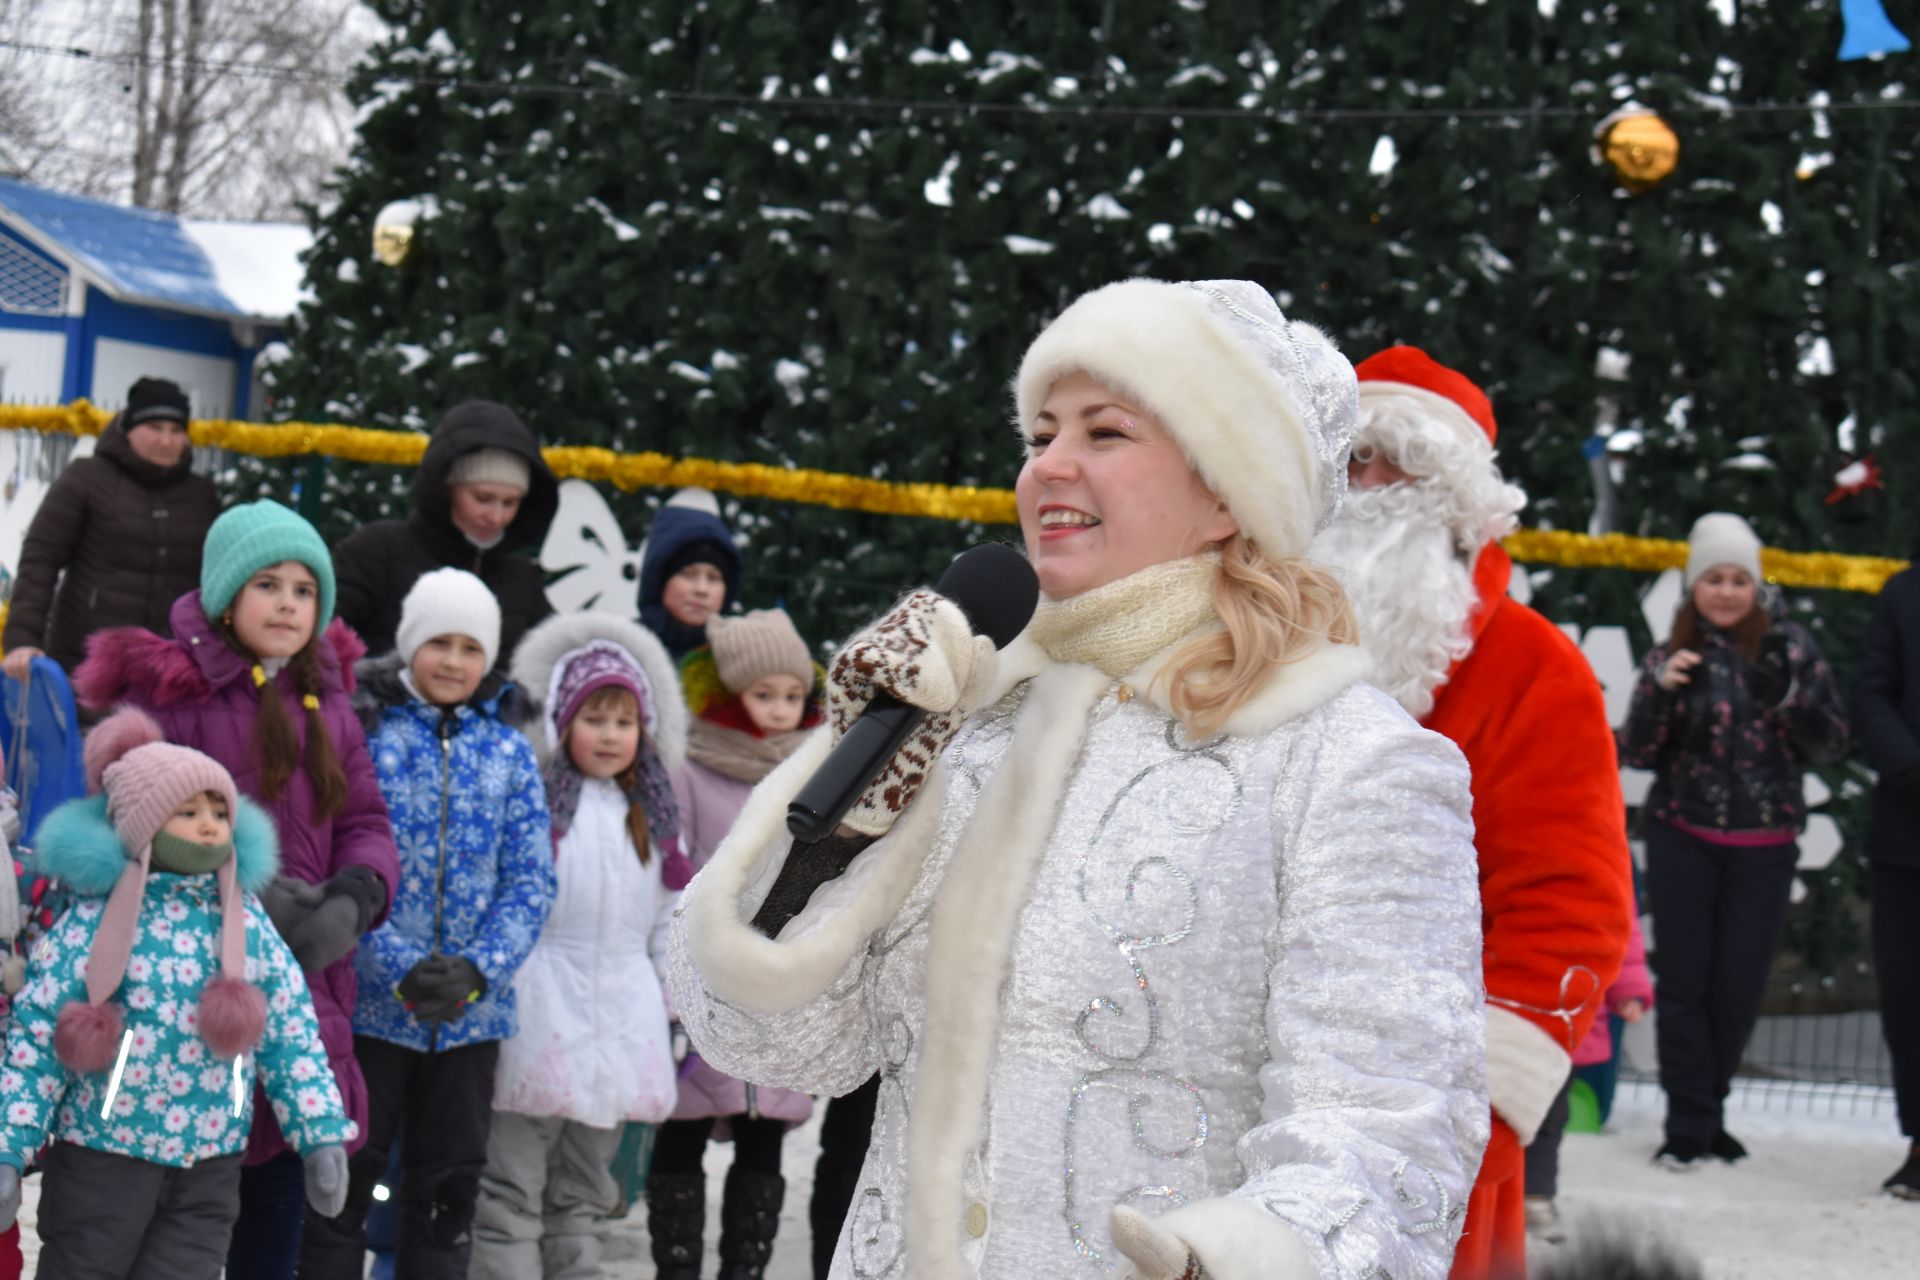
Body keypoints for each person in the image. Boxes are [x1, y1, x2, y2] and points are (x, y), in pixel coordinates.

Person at [667, 278, 1489, 1280]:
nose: (1049, 463)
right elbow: (785, 1047)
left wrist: (1235, 1257)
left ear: (1228, 490)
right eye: (1040, 433)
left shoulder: (1353, 760)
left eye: (1106, 431)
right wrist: (829, 834)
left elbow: (1389, 1121)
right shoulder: (965, 722)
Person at [1311, 345, 1634, 1280]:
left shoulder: (1538, 671)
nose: (1368, 487)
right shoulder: (1240, 639)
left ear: (1456, 499)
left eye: (1399, 462)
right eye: (1350, 461)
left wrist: (1470, 1119)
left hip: (1424, 1133)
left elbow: (1573, 910)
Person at [72, 501, 400, 1279]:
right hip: (186, 1005)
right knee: (173, 1238)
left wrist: (355, 897)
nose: (289, 603)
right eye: (267, 584)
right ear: (224, 596)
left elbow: (365, 817)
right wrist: (240, 892)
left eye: (304, 589)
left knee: (275, 1221)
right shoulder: (169, 696)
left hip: (307, 994)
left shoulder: (332, 704)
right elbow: (125, 823)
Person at [0, 709, 354, 1277]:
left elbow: (291, 1032)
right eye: (187, 812)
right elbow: (38, 1034)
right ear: (142, 824)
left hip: (209, 1155)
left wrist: (319, 1134)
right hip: (104, 1149)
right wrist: (8, 1147)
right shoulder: (94, 921)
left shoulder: (246, 921)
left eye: (219, 810)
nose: (210, 824)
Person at [300, 569, 557, 1277]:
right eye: (437, 643)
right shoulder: (368, 733)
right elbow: (343, 859)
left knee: (447, 1192)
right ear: (409, 646)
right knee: (346, 1179)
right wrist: (397, 963)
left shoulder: (508, 749)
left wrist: (479, 969)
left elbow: (531, 878)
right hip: (375, 1007)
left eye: (470, 647)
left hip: (472, 1015)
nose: (452, 661)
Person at [1622, 512, 1847, 1168]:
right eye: (1713, 579)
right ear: (1694, 587)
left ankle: (1710, 1107)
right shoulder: (1671, 657)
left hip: (1765, 844)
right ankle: (1687, 1125)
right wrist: (1660, 696)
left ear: (1756, 585)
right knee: (1686, 984)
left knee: (1739, 988)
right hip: (1683, 838)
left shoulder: (1791, 649)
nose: (1725, 591)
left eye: (1737, 579)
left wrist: (1790, 703)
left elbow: (1832, 742)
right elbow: (1635, 751)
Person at [469, 611, 689, 1279]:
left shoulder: (653, 818)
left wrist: (676, 999)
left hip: (622, 1025)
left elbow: (668, 920)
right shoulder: (533, 803)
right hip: (534, 1018)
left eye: (625, 722)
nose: (610, 735)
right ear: (563, 722)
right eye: (595, 719)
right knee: (508, 1189)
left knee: (588, 1195)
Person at [653, 609, 822, 1280]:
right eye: (763, 695)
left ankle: (743, 1269)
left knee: (764, 1136)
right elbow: (675, 875)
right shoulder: (692, 769)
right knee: (683, 1124)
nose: (780, 711)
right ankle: (676, 1264)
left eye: (791, 695)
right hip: (703, 976)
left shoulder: (816, 769)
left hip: (775, 981)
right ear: (728, 693)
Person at [1, 377, 221, 680]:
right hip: (85, 663)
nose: (167, 440)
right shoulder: (87, 479)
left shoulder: (201, 495)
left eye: (176, 430)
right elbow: (41, 558)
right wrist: (23, 639)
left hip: (172, 668)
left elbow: (219, 579)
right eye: (155, 428)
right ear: (128, 429)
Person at [333, 400, 560, 664]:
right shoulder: (377, 550)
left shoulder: (522, 579)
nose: (496, 516)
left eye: (510, 503)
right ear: (446, 489)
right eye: (483, 498)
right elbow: (321, 642)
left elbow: (559, 661)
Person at [1848, 522, 1920, 1198]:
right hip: (1908, 835)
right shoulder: (1902, 596)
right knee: (1907, 997)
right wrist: (1908, 768)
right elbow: (1869, 692)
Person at [1523, 910, 1653, 1239]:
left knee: (1549, 1116)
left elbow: (1622, 926)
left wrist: (1628, 989)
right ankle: (1493, 1198)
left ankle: (1535, 1197)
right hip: (1507, 1003)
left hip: (1572, 1012)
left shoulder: (1604, 865)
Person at [637, 495, 742, 662]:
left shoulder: (741, 660)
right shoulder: (624, 651)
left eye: (714, 577)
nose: (702, 589)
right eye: (688, 574)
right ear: (659, 580)